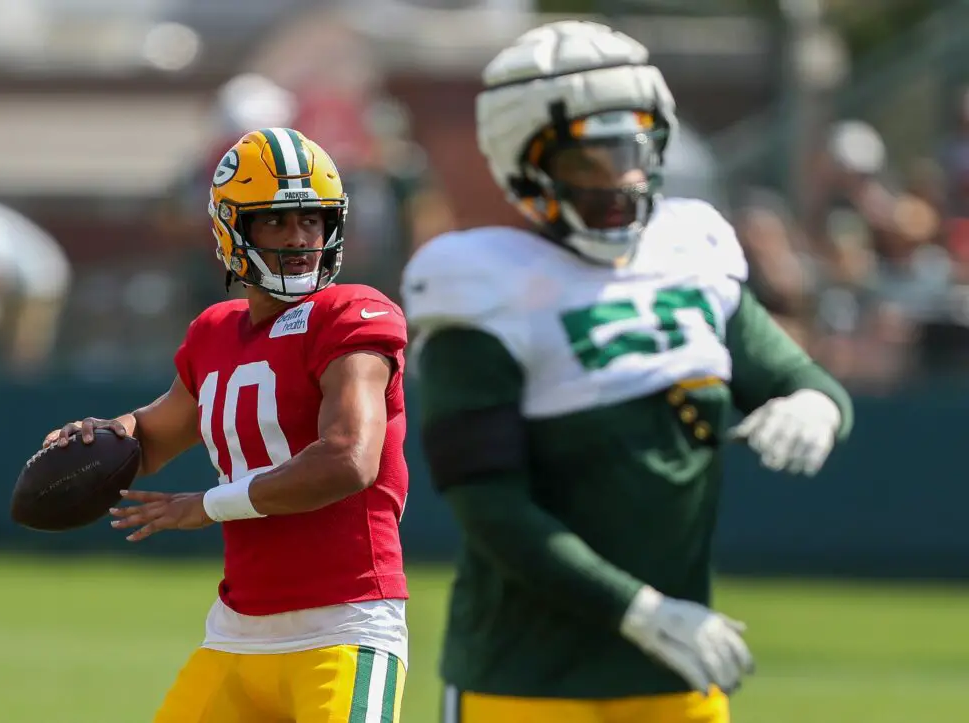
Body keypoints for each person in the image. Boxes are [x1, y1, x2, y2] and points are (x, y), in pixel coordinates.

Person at [400, 21, 854, 723]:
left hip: (676, 667)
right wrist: (641, 611)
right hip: (526, 677)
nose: (622, 181)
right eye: (591, 163)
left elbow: (807, 381)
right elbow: (489, 507)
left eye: (634, 153)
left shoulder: (690, 253)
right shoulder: (481, 286)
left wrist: (815, 406)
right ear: (528, 166)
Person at [43, 128, 409, 723]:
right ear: (231, 230)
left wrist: (207, 505)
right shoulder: (214, 331)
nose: (298, 239)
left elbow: (348, 458)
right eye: (275, 222)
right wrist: (105, 434)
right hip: (237, 633)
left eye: (312, 221)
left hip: (342, 626)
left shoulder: (352, 314)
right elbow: (156, 434)